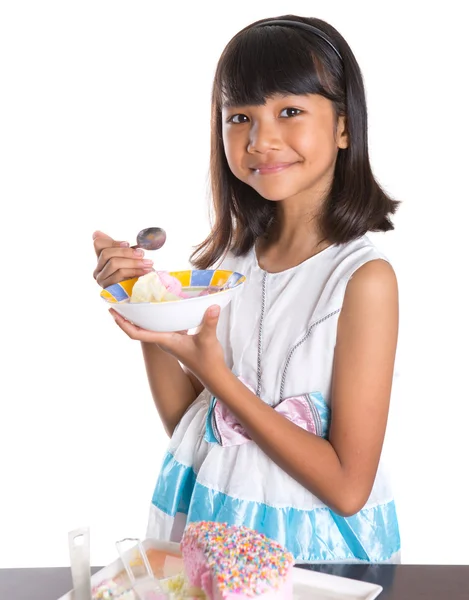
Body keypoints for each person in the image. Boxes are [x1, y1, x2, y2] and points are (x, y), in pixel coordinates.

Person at [93, 15, 401, 564]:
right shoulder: (228, 266)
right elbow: (195, 429)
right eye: (240, 117)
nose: (261, 139)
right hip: (217, 530)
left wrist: (219, 379)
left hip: (315, 558)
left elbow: (348, 488)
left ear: (344, 126)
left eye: (289, 111)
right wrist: (148, 308)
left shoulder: (361, 280)